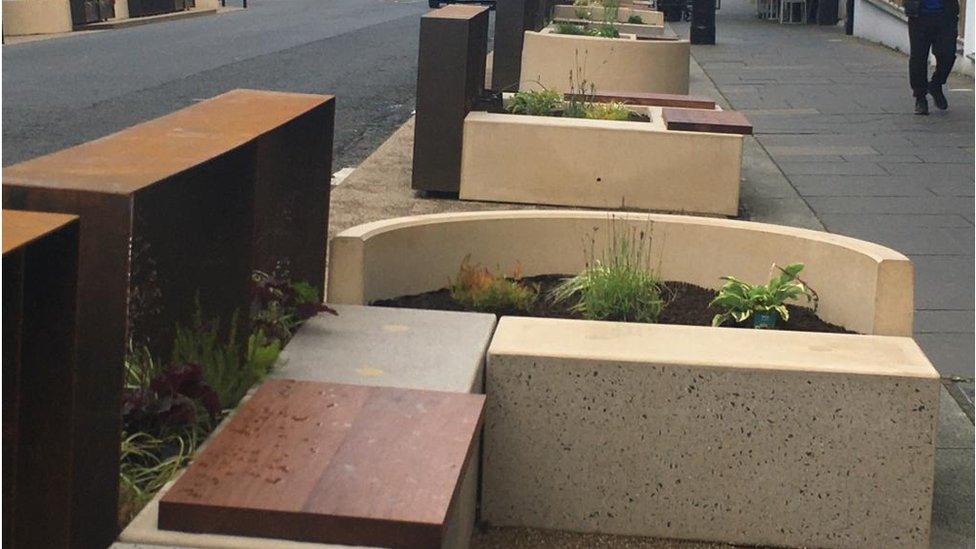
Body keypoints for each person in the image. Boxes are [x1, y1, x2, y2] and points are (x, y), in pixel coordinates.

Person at [906, 0, 960, 115]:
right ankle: (920, 98)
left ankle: (936, 84)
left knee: (948, 53)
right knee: (918, 57)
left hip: (945, 15)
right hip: (919, 15)